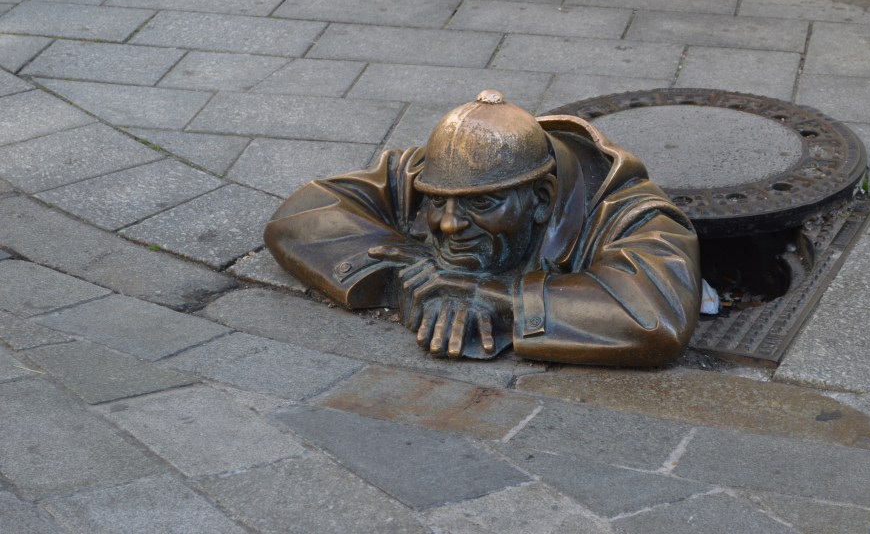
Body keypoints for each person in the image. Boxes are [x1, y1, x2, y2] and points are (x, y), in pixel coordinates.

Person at [264, 90, 702, 367]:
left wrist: (496, 296)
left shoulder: (629, 211)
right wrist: (408, 278)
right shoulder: (439, 173)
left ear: (543, 199)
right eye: (437, 202)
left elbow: (654, 318)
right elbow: (301, 214)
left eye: (483, 206)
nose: (449, 223)